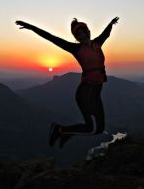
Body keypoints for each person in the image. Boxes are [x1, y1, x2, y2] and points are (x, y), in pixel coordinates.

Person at [15, 16, 119, 148]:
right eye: (79, 34)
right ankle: (59, 130)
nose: (83, 35)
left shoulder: (98, 42)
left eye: (84, 32)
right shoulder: (75, 48)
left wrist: (110, 23)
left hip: (96, 93)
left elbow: (106, 33)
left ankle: (66, 133)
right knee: (92, 128)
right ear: (76, 37)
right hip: (85, 93)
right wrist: (30, 27)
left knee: (99, 129)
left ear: (88, 31)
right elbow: (51, 37)